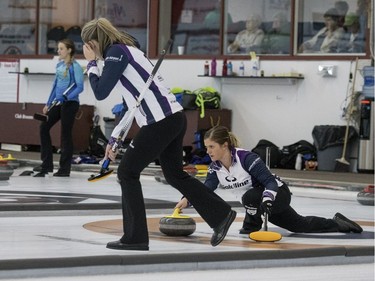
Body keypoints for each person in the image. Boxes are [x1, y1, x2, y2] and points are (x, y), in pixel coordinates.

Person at [81, 18, 236, 251]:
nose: (87, 49)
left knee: (127, 173)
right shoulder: (127, 50)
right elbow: (131, 105)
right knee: (175, 175)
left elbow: (101, 91)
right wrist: (115, 138)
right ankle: (222, 215)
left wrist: (92, 64)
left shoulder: (116, 52)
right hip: (172, 118)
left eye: (87, 44)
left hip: (161, 121)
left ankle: (135, 237)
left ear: (94, 42)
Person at [176, 126, 363, 235]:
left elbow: (270, 183)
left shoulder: (247, 158)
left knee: (250, 196)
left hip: (277, 195)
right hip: (258, 203)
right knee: (299, 225)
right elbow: (207, 189)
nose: (208, 151)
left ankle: (251, 226)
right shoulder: (215, 168)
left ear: (225, 145)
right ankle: (338, 223)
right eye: (206, 147)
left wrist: (267, 199)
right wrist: (189, 198)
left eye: (212, 147)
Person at [33, 38, 84, 177]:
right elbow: (55, 86)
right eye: (58, 48)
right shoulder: (59, 66)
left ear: (69, 50)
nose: (58, 51)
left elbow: (80, 86)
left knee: (65, 134)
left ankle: (64, 169)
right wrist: (48, 103)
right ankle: (46, 165)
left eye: (61, 48)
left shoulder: (76, 66)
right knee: (43, 127)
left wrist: (67, 97)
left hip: (70, 103)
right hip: (58, 102)